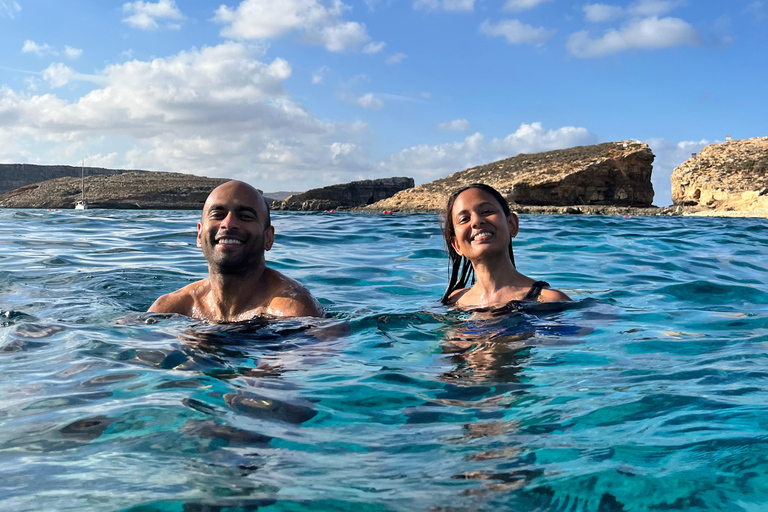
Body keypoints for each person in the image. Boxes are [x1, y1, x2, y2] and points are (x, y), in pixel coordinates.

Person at [148, 180, 323, 321]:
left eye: (245, 216)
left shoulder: (292, 311)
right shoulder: (171, 308)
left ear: (268, 238)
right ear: (200, 234)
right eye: (217, 214)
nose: (228, 223)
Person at [440, 183, 571, 309]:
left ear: (512, 225)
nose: (476, 221)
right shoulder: (455, 301)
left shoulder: (548, 300)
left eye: (486, 211)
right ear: (457, 245)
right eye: (464, 219)